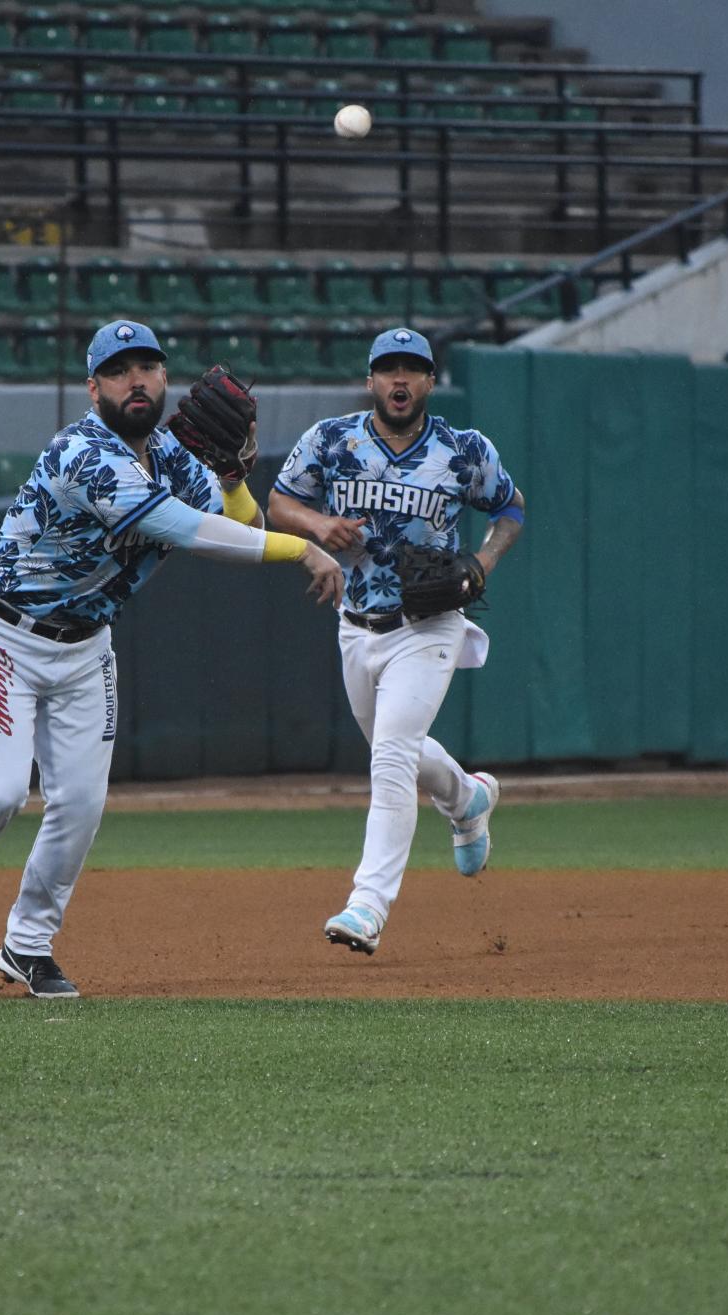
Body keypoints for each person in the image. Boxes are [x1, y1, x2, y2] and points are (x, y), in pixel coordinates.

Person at [0, 318, 342, 998]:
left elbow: (241, 526)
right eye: (118, 369)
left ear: (166, 379)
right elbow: (189, 532)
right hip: (1, 631)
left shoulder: (171, 459)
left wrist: (230, 478)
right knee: (0, 790)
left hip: (84, 646)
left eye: (148, 366)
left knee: (79, 801)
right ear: (93, 386)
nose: (136, 379)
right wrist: (303, 546)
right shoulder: (83, 453)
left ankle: (28, 942)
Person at [266, 327, 526, 956]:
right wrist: (318, 524)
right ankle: (467, 797)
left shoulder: (463, 449)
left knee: (388, 760)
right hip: (356, 626)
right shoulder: (332, 439)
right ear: (371, 380)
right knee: (397, 750)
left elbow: (510, 509)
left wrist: (485, 564)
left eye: (413, 370)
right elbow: (278, 503)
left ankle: (368, 906)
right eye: (389, 370)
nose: (399, 381)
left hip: (428, 626)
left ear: (431, 381)